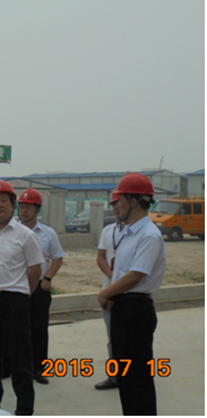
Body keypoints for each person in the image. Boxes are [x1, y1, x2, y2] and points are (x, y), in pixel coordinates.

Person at [0, 180, 44, 415]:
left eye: (4, 201)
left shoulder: (26, 235)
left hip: (15, 303)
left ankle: (24, 409)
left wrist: (22, 293)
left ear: (13, 206)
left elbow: (36, 270)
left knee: (20, 359)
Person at [98, 173, 165, 415]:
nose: (116, 205)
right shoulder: (129, 233)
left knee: (138, 378)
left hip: (136, 311)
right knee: (126, 378)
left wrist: (105, 293)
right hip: (124, 308)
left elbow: (136, 274)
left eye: (120, 200)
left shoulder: (148, 234)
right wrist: (113, 296)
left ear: (134, 201)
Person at [1, 188, 64, 385]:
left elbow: (58, 258)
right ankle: (9, 366)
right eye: (22, 207)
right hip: (15, 287)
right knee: (12, 329)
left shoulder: (48, 233)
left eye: (29, 207)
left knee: (38, 330)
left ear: (37, 210)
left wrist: (48, 278)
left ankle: (38, 368)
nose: (24, 211)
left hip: (38, 289)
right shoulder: (10, 231)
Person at [93, 191, 124, 391]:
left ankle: (134, 374)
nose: (116, 207)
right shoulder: (108, 231)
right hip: (109, 291)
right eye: (113, 204)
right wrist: (113, 277)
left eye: (119, 202)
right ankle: (115, 376)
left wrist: (119, 281)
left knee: (132, 338)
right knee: (113, 338)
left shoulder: (138, 232)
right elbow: (100, 257)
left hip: (129, 292)